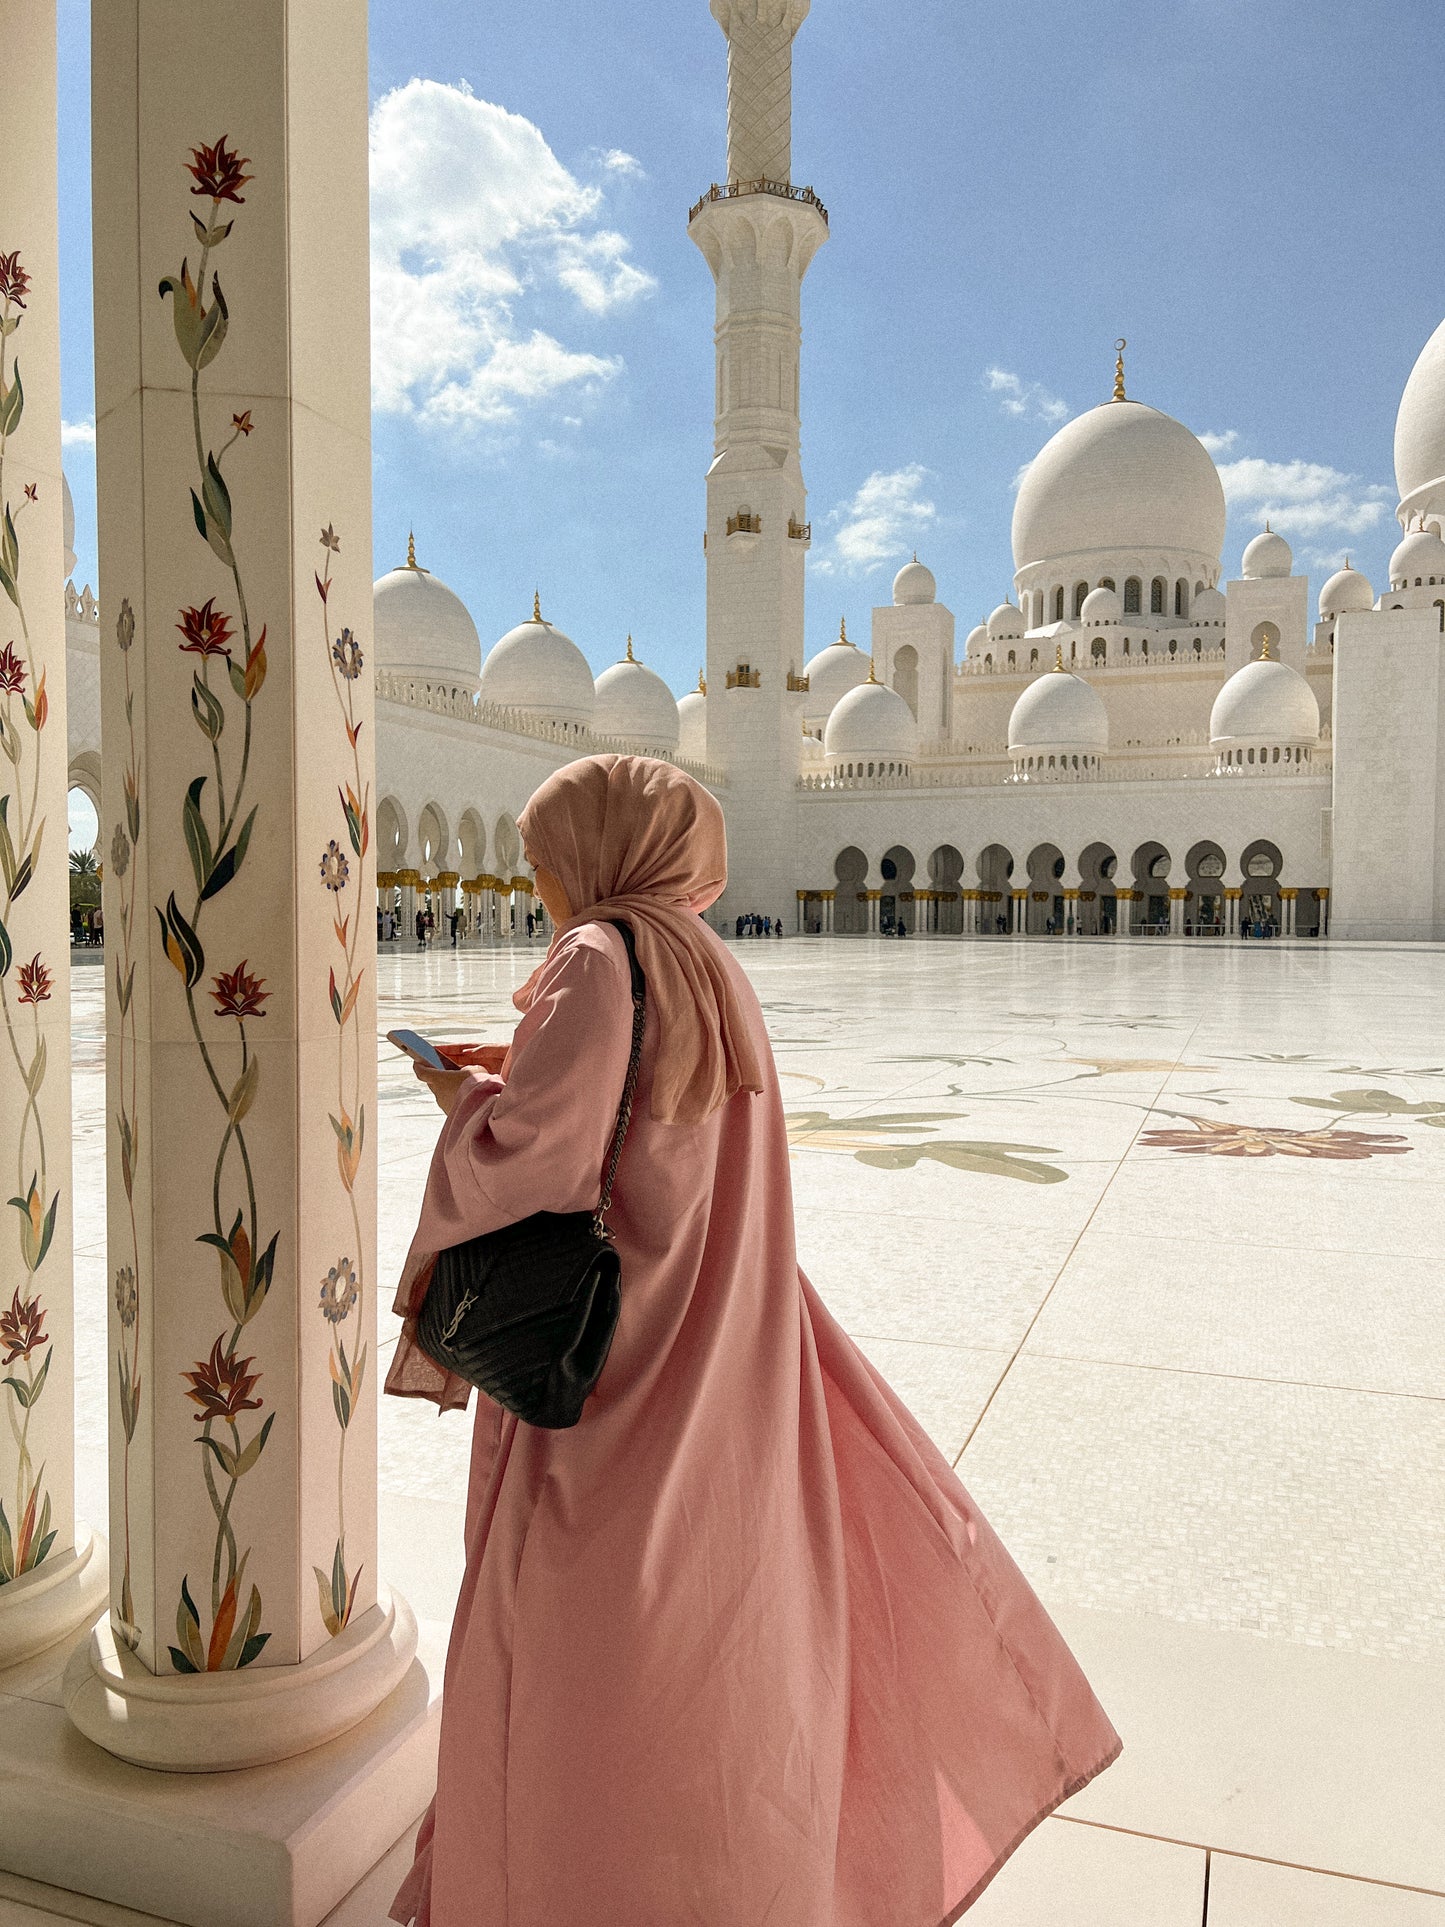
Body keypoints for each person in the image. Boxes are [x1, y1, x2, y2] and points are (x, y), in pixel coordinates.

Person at [385, 753, 1118, 1927]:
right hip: (712, 1342)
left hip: (612, 1375)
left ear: (600, 851)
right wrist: (524, 1067)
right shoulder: (704, 958)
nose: (541, 883)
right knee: (699, 1649)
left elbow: (545, 1159)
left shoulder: (591, 955)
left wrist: (464, 1103)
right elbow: (655, 1125)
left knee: (569, 1644)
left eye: (546, 859)